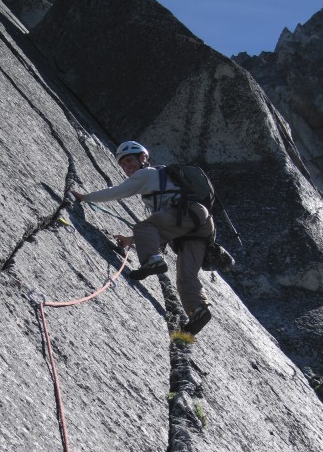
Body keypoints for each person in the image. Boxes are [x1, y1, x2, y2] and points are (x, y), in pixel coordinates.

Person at [71, 141, 215, 335]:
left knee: (145, 225)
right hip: (200, 224)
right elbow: (161, 229)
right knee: (185, 275)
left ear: (143, 158)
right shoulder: (162, 181)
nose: (127, 167)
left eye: (130, 160)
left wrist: (85, 197)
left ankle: (152, 260)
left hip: (187, 214)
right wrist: (131, 240)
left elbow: (116, 192)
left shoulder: (147, 174)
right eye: (123, 164)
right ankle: (199, 311)